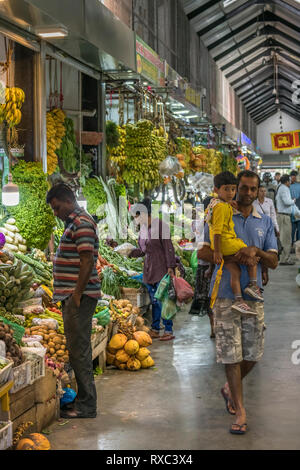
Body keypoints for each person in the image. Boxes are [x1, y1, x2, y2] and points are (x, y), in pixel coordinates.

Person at [198, 170, 278, 436]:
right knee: (230, 355)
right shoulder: (217, 212)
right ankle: (240, 410)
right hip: (223, 295)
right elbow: (202, 250)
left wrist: (255, 252)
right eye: (241, 188)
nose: (245, 193)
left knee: (253, 354)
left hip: (253, 297)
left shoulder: (264, 221)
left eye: (251, 189)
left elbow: (274, 261)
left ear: (258, 192)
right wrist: (230, 258)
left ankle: (228, 389)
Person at [46, 183, 101, 419]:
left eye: (57, 208)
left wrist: (76, 295)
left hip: (79, 297)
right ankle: (83, 400)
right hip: (73, 295)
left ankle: (87, 405)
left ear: (67, 201)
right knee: (77, 348)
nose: (56, 213)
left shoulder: (81, 223)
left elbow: (87, 261)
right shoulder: (74, 222)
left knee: (79, 350)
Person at [205, 171, 263, 317]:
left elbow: (214, 214)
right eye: (226, 189)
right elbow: (218, 231)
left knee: (235, 271)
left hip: (220, 246)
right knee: (251, 255)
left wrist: (228, 205)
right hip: (225, 243)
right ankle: (253, 285)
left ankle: (238, 299)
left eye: (232, 189)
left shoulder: (214, 203)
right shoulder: (222, 207)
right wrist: (218, 252)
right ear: (216, 189)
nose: (231, 193)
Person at [129, 198, 177, 341]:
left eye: (136, 217)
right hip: (149, 269)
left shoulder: (160, 226)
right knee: (154, 301)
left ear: (143, 214)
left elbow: (169, 248)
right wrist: (129, 252)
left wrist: (170, 267)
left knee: (165, 300)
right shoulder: (143, 229)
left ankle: (168, 329)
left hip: (162, 268)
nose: (135, 220)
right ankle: (155, 329)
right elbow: (142, 250)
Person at [189, 197, 215, 338]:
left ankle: (213, 327)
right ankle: (214, 326)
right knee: (212, 298)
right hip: (209, 265)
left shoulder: (199, 223)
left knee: (208, 298)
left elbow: (195, 239)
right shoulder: (206, 223)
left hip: (204, 265)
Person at [276, 175, 296, 266]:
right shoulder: (284, 189)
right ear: (287, 181)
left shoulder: (281, 187)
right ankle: (284, 259)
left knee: (284, 238)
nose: (290, 183)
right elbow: (287, 202)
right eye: (289, 181)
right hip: (284, 217)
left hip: (282, 216)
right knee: (286, 238)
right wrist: (293, 201)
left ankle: (284, 258)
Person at [290, 170, 300, 244]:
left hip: (297, 207)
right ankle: (294, 243)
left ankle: (296, 243)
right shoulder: (288, 185)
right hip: (292, 208)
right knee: (293, 228)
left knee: (297, 228)